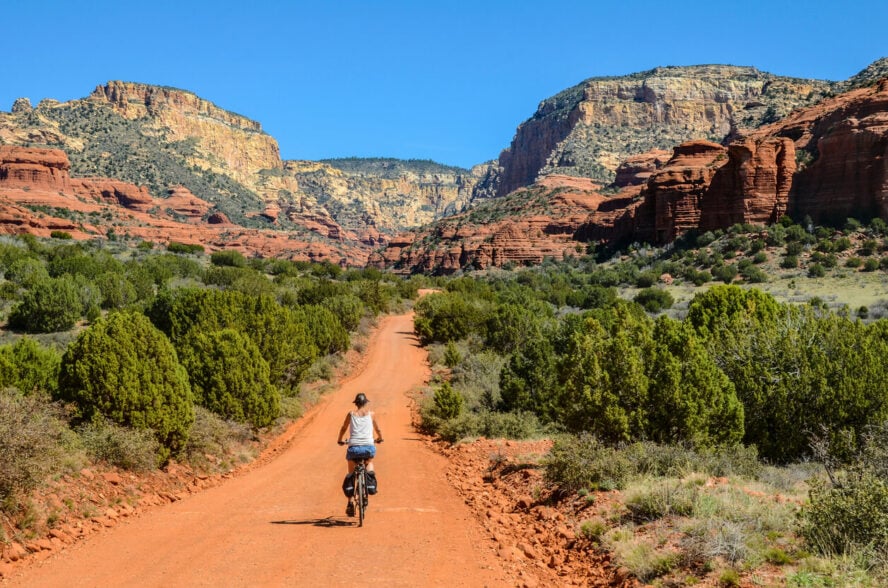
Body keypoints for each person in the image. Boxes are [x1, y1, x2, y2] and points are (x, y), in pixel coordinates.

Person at [337, 392, 383, 516]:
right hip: (368, 448)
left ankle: (350, 503)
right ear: (365, 403)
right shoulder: (371, 414)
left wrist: (340, 439)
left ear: (356, 403)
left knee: (351, 474)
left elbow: (343, 428)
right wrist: (380, 438)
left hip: (353, 449)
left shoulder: (351, 414)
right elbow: (377, 429)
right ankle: (369, 479)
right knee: (369, 462)